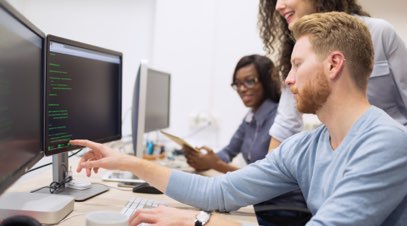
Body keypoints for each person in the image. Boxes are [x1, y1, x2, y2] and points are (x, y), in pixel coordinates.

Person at [72, 12, 407, 226]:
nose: (288, 80)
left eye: (297, 65)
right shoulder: (306, 147)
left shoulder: (386, 143)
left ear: (334, 65)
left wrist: (203, 222)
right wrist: (131, 163)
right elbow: (219, 191)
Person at [258, 0, 407, 150]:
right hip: (344, 153)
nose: (278, 6)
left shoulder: (379, 33)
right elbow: (285, 125)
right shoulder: (297, 52)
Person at [183, 54, 280, 173]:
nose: (242, 89)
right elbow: (229, 151)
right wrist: (202, 161)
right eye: (238, 84)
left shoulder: (279, 120)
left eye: (250, 81)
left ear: (266, 81)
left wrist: (215, 164)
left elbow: (265, 177)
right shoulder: (251, 116)